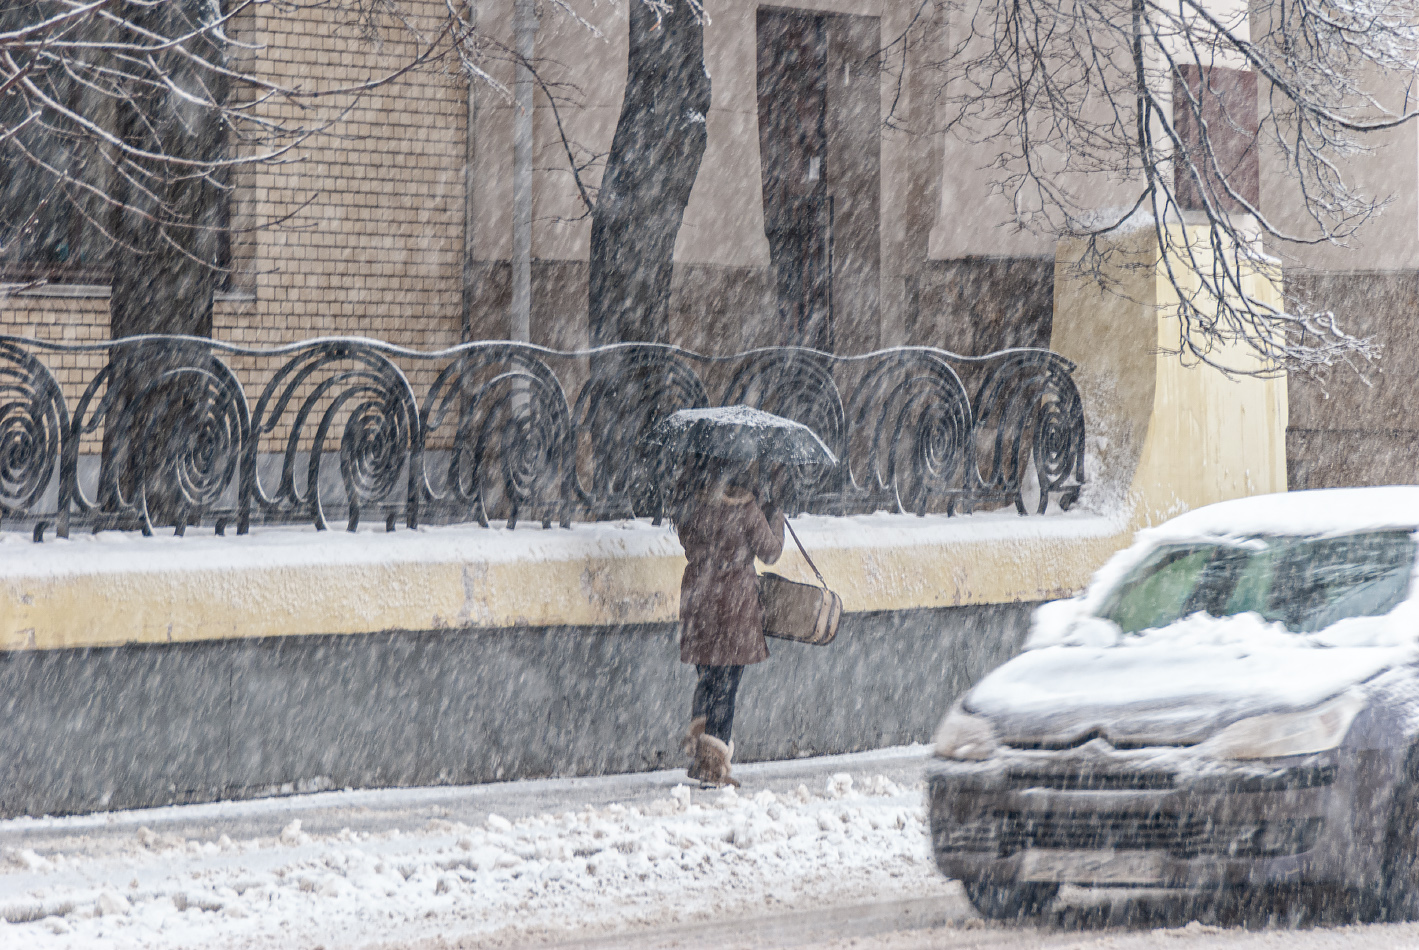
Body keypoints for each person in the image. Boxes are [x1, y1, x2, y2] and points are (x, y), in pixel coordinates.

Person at [673, 458, 786, 786]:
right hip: (732, 608)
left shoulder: (694, 504)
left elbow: (686, 540)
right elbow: (771, 552)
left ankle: (699, 755)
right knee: (726, 687)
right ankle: (712, 767)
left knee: (707, 679)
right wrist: (775, 514)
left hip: (698, 602)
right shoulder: (747, 508)